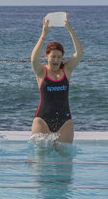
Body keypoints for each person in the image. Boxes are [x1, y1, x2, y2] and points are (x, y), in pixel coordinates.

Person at [31, 14, 83, 144]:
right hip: (42, 120)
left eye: (59, 57)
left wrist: (70, 30)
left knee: (65, 160)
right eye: (53, 56)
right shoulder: (41, 71)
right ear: (46, 56)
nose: (56, 60)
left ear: (62, 58)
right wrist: (43, 35)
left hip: (65, 122)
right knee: (40, 159)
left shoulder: (67, 70)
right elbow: (33, 59)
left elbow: (80, 53)